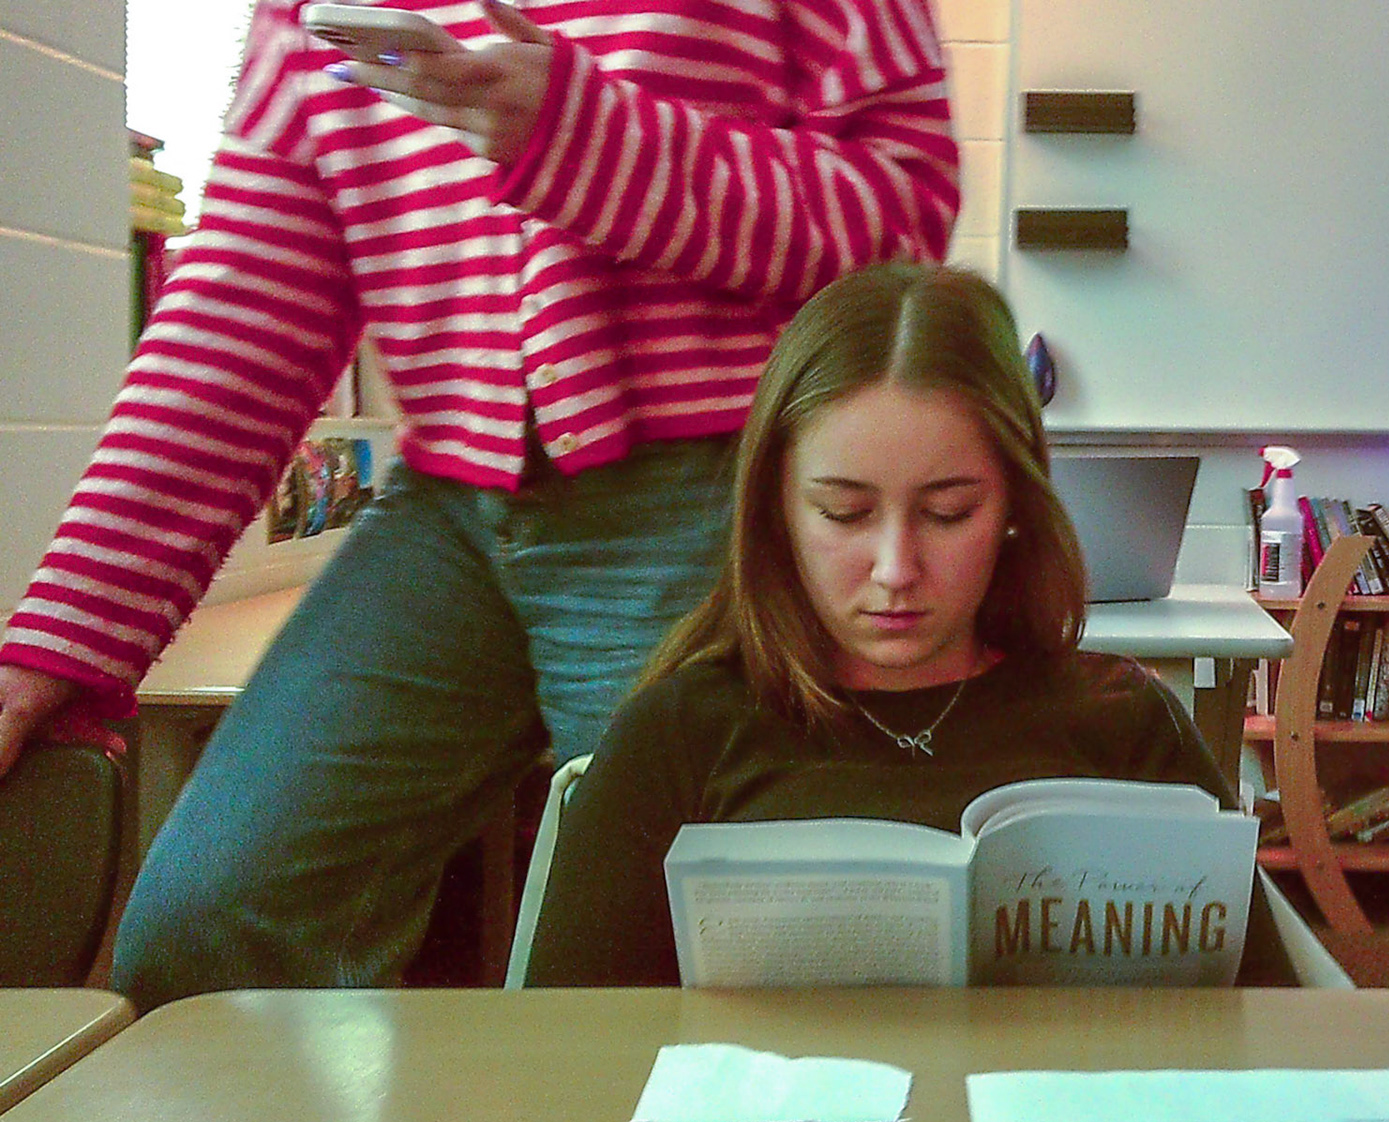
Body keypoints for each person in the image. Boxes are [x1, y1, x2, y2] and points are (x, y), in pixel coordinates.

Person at [0, 1, 960, 1012]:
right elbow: (244, 303)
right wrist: (63, 641)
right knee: (210, 936)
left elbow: (904, 222)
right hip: (452, 505)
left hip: (718, 484)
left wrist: (592, 140)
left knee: (708, 981)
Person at [525, 263, 1295, 987]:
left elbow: (1263, 1022)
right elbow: (564, 1058)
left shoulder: (1127, 727)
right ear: (776, 512)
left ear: (1015, 510)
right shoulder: (679, 738)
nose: (896, 567)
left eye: (947, 513)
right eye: (845, 512)